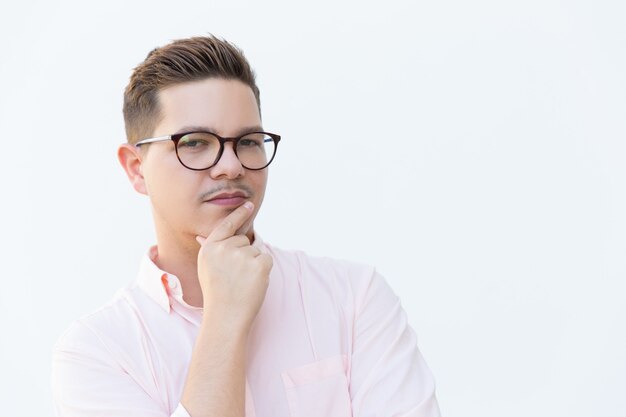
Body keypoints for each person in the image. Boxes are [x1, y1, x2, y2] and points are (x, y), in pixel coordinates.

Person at [51, 35, 441, 417]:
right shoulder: (97, 352)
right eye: (195, 142)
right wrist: (224, 317)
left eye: (249, 141)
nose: (231, 165)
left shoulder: (354, 299)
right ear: (136, 169)